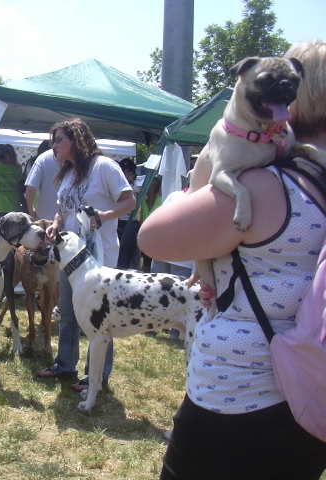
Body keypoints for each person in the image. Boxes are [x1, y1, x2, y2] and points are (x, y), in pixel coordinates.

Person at [138, 40, 326, 480]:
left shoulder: (266, 184)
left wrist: (195, 181)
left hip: (242, 396)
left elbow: (154, 237)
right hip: (315, 397)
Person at [36, 118, 136, 393]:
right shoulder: (67, 172)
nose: (54, 146)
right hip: (70, 257)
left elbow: (129, 201)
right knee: (68, 313)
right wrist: (56, 223)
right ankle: (65, 364)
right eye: (53, 140)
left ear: (76, 140)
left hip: (98, 258)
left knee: (99, 317)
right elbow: (62, 209)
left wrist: (104, 217)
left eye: (59, 140)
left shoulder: (104, 167)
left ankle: (96, 377)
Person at [25, 140, 61, 221]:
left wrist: (31, 213)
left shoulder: (41, 158)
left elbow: (30, 188)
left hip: (43, 216)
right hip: (65, 217)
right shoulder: (73, 158)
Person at [116, 158, 141, 270]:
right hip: (121, 223)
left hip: (129, 223)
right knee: (122, 257)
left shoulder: (131, 187)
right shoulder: (119, 185)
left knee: (128, 257)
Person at [137, 175, 162, 272]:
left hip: (145, 236)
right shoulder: (162, 201)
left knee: (145, 264)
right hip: (157, 237)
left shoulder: (143, 200)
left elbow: (141, 220)